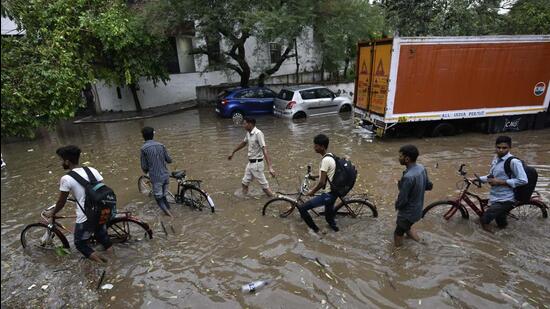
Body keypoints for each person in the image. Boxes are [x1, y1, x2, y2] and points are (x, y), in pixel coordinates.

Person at [45, 145, 112, 263]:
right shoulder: (92, 170)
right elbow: (101, 189)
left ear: (67, 161)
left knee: (80, 243)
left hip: (86, 216)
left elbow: (61, 202)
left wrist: (52, 212)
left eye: (61, 160)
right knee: (104, 238)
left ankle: (103, 265)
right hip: (102, 210)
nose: (61, 162)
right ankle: (114, 260)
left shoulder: (66, 179)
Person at [478, 136, 527, 232]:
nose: (501, 150)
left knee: (484, 220)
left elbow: (523, 180)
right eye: (498, 147)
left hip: (506, 198)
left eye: (504, 148)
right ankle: (505, 238)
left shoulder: (514, 162)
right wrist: (477, 179)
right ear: (495, 147)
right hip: (495, 196)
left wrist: (500, 182)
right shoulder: (496, 159)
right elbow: (491, 176)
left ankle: (491, 241)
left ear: (509, 148)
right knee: (500, 222)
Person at [297, 134, 339, 234]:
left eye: (316, 146)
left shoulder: (325, 160)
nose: (314, 147)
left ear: (322, 147)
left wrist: (312, 191)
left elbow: (322, 182)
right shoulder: (330, 156)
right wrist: (313, 177)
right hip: (333, 192)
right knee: (329, 218)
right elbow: (326, 174)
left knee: (302, 208)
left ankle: (316, 231)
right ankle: (336, 231)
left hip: (328, 194)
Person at [394, 144, 432, 247]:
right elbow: (429, 186)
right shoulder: (421, 168)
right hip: (417, 209)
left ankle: (397, 256)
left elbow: (403, 199)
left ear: (407, 159)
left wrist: (397, 205)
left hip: (407, 212)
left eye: (400, 156)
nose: (399, 158)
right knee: (406, 227)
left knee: (398, 233)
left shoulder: (408, 177)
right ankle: (423, 244)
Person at [228, 117, 276, 197]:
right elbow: (243, 143)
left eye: (245, 123)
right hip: (250, 164)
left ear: (250, 124)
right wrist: (233, 152)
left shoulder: (258, 133)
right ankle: (244, 199)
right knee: (244, 183)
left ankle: (276, 199)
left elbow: (264, 149)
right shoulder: (248, 133)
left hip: (257, 164)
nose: (243, 125)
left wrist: (270, 167)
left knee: (265, 188)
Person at [140, 127, 173, 217]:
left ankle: (171, 217)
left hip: (156, 177)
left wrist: (148, 172)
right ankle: (170, 210)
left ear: (143, 136)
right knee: (164, 196)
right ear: (153, 135)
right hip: (166, 175)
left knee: (158, 198)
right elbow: (169, 160)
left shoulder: (143, 149)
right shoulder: (161, 145)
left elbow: (144, 166)